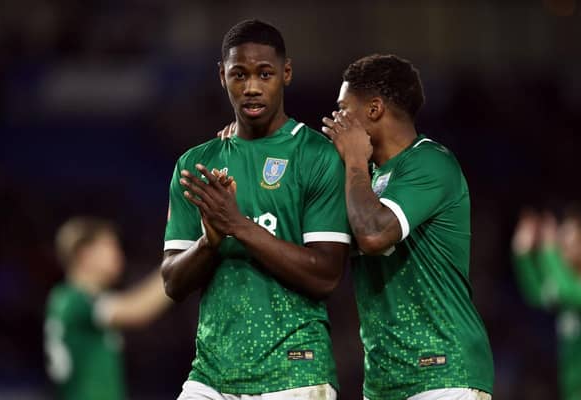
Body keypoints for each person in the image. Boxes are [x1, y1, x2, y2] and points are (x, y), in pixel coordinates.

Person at [160, 19, 351, 400]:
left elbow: (326, 275)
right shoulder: (196, 164)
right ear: (221, 76)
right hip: (211, 376)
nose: (251, 87)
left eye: (265, 74)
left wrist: (237, 225)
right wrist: (209, 242)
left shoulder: (316, 156)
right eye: (239, 75)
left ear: (286, 73)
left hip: (296, 372)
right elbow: (172, 282)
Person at [321, 55, 494, 400]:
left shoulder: (430, 162)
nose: (334, 120)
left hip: (444, 370)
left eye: (343, 109)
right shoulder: (362, 183)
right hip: (386, 379)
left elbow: (372, 234)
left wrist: (354, 159)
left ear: (374, 109)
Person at [44, 216, 172, 400]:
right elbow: (137, 310)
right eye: (110, 246)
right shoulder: (74, 301)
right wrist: (176, 267)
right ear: (85, 254)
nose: (119, 255)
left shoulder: (70, 299)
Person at [512, 206, 581, 400]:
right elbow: (539, 295)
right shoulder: (573, 287)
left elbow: (566, 291)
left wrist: (549, 249)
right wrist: (522, 255)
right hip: (573, 390)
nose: (563, 244)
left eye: (571, 238)